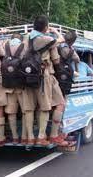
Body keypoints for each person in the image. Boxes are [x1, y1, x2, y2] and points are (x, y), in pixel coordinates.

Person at [30, 15, 69, 146]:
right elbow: (57, 57)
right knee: (51, 106)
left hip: (30, 75)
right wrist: (55, 32)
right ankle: (47, 136)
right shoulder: (47, 39)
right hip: (45, 75)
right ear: (46, 27)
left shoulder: (27, 37)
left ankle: (47, 135)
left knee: (41, 107)